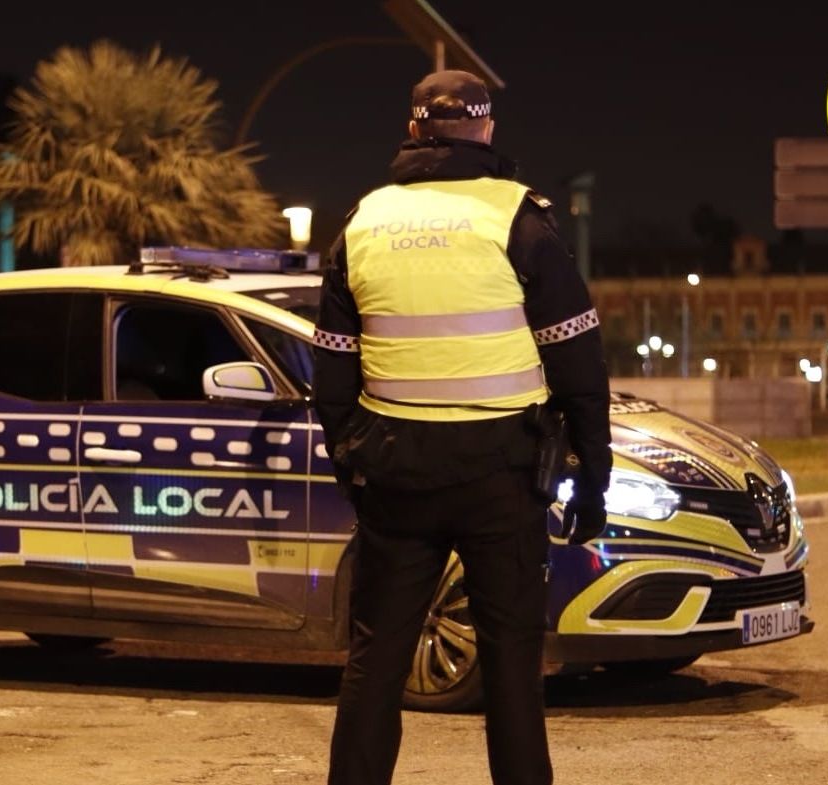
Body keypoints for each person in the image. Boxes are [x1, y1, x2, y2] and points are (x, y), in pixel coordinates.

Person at [312, 70, 613, 785]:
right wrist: (592, 475)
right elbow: (577, 360)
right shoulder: (519, 219)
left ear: (415, 131)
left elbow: (332, 373)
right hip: (502, 477)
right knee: (511, 666)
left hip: (395, 474)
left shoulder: (362, 222)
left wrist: (355, 459)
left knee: (375, 660)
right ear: (486, 131)